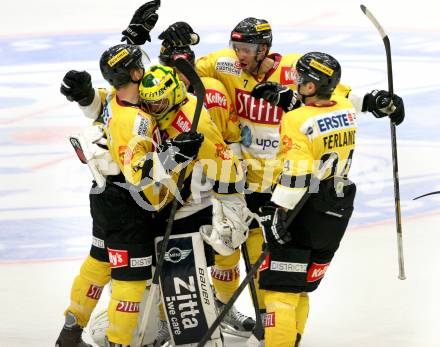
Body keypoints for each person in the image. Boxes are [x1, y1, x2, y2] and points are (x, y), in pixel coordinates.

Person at [55, 43, 162, 347]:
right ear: (136, 73)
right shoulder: (136, 120)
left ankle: (70, 332)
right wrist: (176, 156)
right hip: (129, 202)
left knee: (99, 263)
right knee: (130, 278)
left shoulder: (115, 100)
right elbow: (141, 177)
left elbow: (99, 100)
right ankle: (119, 342)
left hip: (103, 195)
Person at [256, 52, 357, 347]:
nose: (296, 81)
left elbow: (298, 173)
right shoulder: (346, 107)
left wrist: (278, 212)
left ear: (311, 87)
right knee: (300, 288)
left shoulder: (296, 119)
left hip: (303, 210)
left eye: (301, 79)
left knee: (280, 293)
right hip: (338, 207)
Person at [158, 44, 256, 338]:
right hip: (175, 192)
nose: (180, 75)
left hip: (214, 181)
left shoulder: (211, 90)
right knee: (172, 258)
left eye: (185, 66)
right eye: (173, 67)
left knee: (226, 250)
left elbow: (229, 137)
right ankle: (165, 320)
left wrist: (232, 200)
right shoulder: (155, 98)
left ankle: (225, 307)